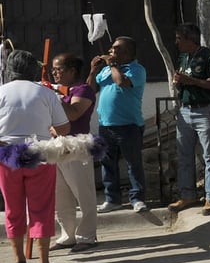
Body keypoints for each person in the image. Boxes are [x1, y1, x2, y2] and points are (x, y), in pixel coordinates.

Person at [0, 50, 70, 263]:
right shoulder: (45, 93)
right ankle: (44, 262)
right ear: (33, 69)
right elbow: (63, 128)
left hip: (7, 156)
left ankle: (19, 260)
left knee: (13, 209)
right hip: (40, 153)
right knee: (41, 207)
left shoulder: (1, 92)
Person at [87, 36, 148, 214]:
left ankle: (137, 198)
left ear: (127, 52)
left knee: (133, 163)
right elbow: (90, 89)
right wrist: (93, 70)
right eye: (111, 48)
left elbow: (121, 82)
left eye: (116, 49)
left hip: (128, 125)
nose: (110, 51)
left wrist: (113, 65)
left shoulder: (136, 69)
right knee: (107, 163)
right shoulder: (106, 71)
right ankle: (112, 199)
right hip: (105, 125)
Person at [168, 23, 210, 216]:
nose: (176, 42)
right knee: (184, 156)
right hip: (185, 111)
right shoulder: (183, 57)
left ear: (190, 39)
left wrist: (192, 81)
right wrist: (178, 82)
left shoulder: (208, 56)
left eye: (179, 38)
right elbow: (182, 82)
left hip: (204, 111)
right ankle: (187, 194)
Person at [50, 53, 98, 252]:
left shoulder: (83, 89)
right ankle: (67, 234)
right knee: (60, 194)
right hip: (56, 145)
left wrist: (55, 99)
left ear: (72, 71)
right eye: (53, 69)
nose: (55, 73)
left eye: (59, 69)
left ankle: (86, 235)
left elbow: (74, 113)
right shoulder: (59, 90)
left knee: (83, 192)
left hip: (76, 146)